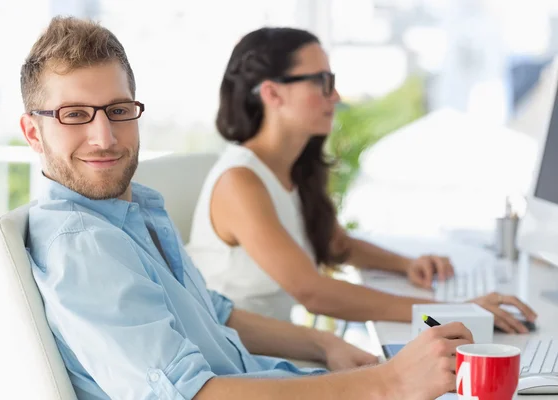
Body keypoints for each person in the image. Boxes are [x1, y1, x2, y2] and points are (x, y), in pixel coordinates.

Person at [21, 16, 474, 400]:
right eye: (74, 115)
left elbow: (216, 314)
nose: (104, 137)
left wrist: (323, 345)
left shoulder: (134, 210)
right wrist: (388, 381)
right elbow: (190, 395)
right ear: (33, 132)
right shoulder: (81, 245)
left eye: (118, 110)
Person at [186, 27, 537, 333]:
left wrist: (407, 265)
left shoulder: (292, 169)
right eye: (322, 82)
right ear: (272, 94)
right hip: (240, 358)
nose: (335, 96)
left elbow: (338, 245)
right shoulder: (240, 181)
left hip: (282, 350)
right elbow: (313, 292)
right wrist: (449, 312)